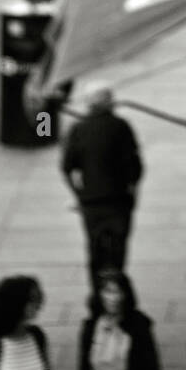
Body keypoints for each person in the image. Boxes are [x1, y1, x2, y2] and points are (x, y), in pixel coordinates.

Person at [61, 82, 142, 289]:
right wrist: (133, 191)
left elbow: (67, 166)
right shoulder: (121, 127)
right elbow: (135, 166)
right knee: (117, 251)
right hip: (118, 199)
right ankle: (117, 292)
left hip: (91, 201)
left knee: (95, 250)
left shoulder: (79, 129)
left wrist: (78, 193)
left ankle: (97, 293)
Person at [78, 269, 160, 370]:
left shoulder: (138, 325)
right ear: (99, 294)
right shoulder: (90, 328)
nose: (113, 298)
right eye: (108, 291)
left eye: (118, 292)